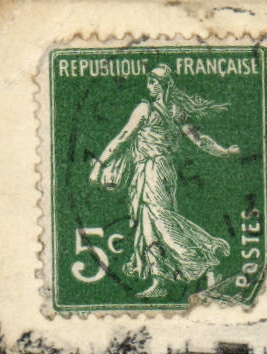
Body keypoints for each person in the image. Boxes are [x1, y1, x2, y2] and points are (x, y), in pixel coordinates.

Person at [89, 66, 240, 297]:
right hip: (158, 171)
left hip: (153, 169)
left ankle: (205, 258)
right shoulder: (175, 111)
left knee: (161, 220)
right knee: (148, 223)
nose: (148, 87)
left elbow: (122, 138)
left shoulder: (145, 109)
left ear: (160, 85)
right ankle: (159, 280)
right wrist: (224, 151)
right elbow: (200, 141)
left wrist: (100, 165)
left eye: (152, 83)